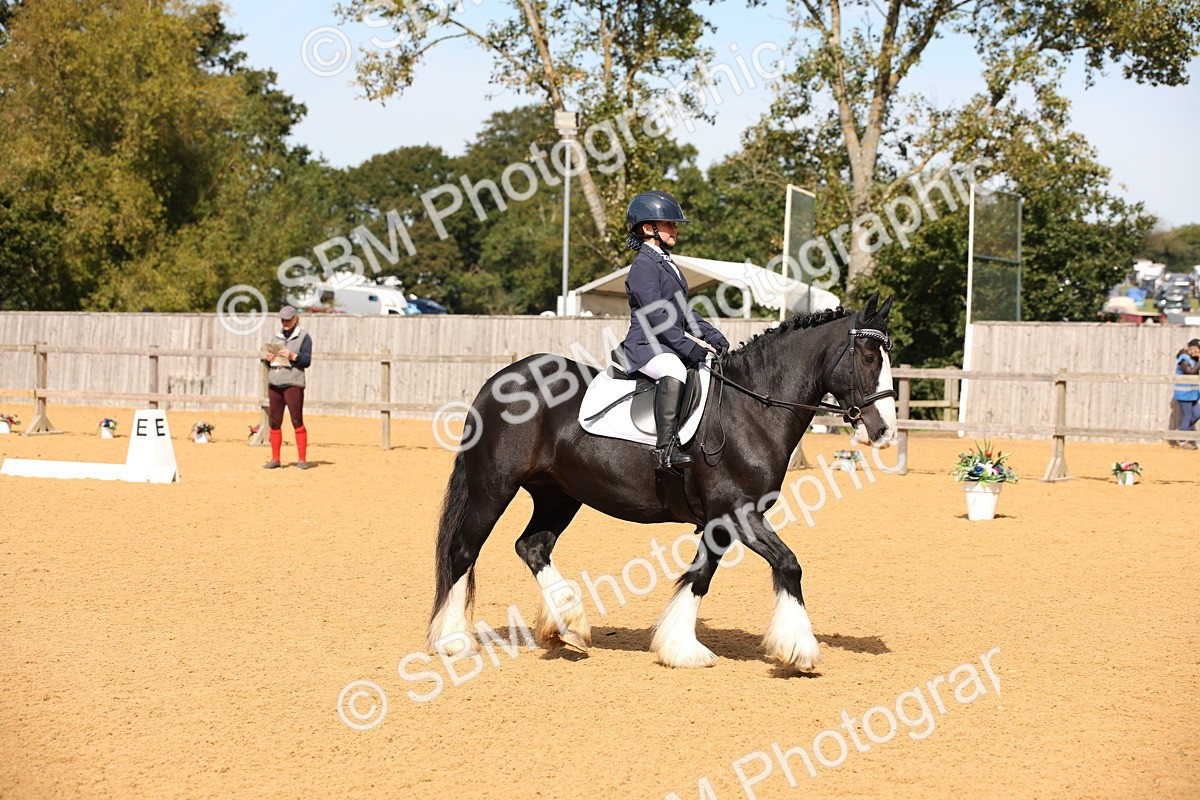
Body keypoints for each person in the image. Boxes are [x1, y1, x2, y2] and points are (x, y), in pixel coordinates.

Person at [618, 190, 729, 471]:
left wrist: (712, 336)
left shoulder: (666, 263)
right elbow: (657, 316)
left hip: (665, 345)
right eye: (669, 223)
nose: (675, 228)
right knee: (675, 369)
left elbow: (683, 311)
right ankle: (665, 449)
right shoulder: (643, 266)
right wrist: (690, 347)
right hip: (646, 347)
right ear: (648, 229)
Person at [262, 306, 313, 469]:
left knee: (296, 420)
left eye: (288, 320)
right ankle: (275, 459)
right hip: (275, 382)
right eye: (283, 320)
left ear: (295, 319)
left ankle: (302, 459)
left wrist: (293, 356)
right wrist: (268, 359)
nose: (285, 322)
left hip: (293, 383)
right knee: (275, 421)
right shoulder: (275, 336)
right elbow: (269, 362)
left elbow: (306, 361)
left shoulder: (304, 337)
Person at [1172, 338, 1200, 449]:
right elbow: (1190, 371)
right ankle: (1182, 440)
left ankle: (1180, 431)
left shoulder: (1193, 359)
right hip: (1184, 393)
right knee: (1188, 415)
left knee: (1197, 413)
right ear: (1191, 347)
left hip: (1193, 393)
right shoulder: (1183, 358)